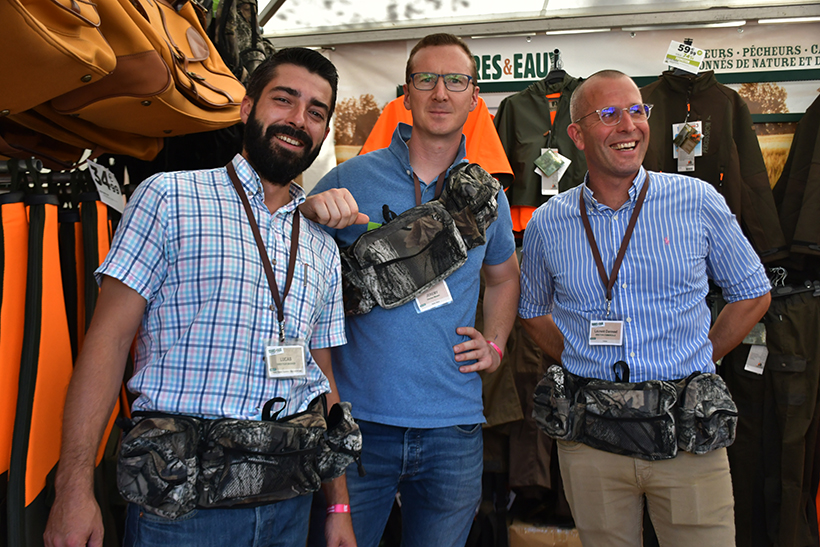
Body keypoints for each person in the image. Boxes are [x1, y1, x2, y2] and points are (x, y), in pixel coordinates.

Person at [43, 47, 366, 547]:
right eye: (284, 100)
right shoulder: (168, 197)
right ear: (247, 106)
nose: (298, 120)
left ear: (323, 133)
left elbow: (319, 381)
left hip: (288, 503)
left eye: (316, 112)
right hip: (183, 510)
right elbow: (106, 343)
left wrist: (338, 505)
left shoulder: (320, 240)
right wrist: (73, 488)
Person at [518, 69, 772, 547]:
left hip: (687, 440)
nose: (628, 125)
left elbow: (753, 292)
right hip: (592, 442)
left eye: (637, 111)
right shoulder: (548, 224)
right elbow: (532, 311)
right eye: (609, 114)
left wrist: (698, 354)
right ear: (576, 135)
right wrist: (578, 357)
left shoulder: (696, 201)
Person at [310, 33, 519, 547]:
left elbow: (503, 275)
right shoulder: (350, 177)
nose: (440, 93)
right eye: (426, 79)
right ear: (406, 93)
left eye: (455, 81)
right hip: (361, 427)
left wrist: (495, 344)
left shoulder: (486, 194)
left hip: (455, 427)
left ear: (475, 97)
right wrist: (307, 213)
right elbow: (291, 268)